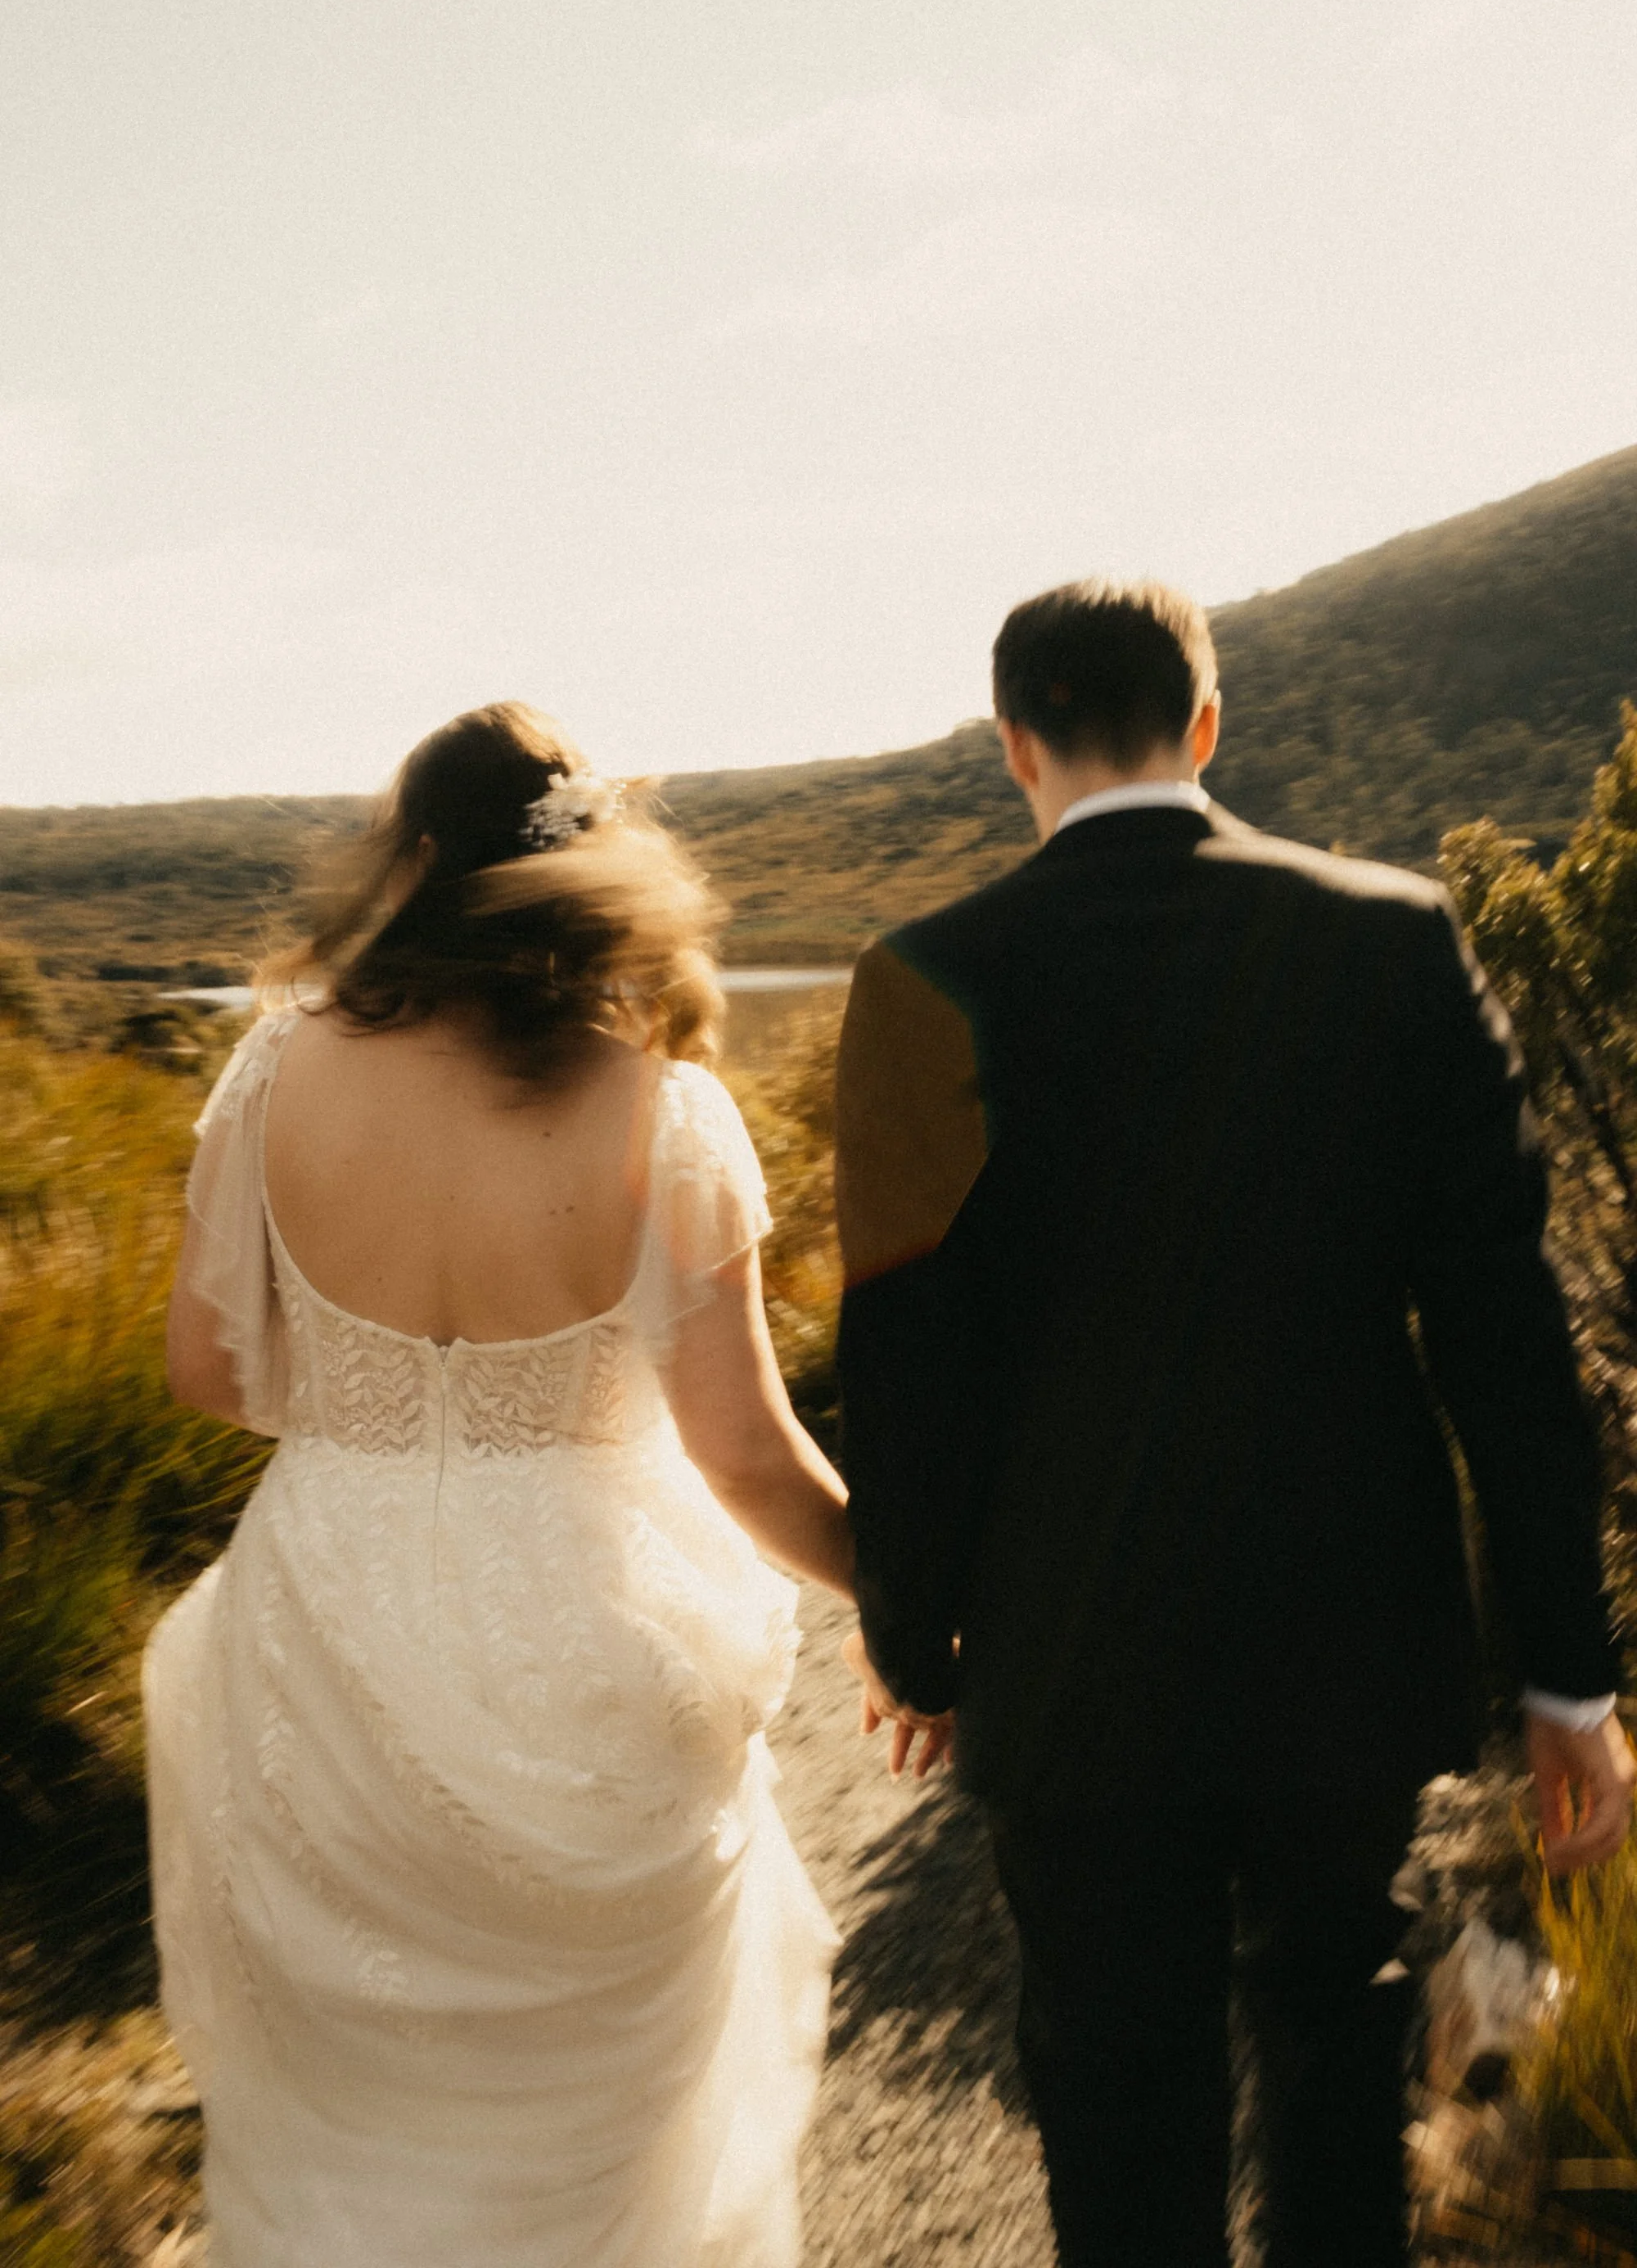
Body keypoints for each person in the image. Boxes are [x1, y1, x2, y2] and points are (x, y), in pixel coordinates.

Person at [831, 579, 1633, 2268]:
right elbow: (1505, 1335)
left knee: (1118, 2089)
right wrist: (1569, 1676)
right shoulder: (1396, 937)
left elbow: (905, 1367)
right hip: (1344, 1634)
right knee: (1337, 2040)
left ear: (1011, 749)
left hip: (1064, 1650)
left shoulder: (920, 979)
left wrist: (910, 1641)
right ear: (1205, 724)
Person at [146, 702, 850, 2268]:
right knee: (610, 2150)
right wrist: (915, 1595)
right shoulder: (666, 1111)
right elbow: (743, 1452)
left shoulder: (272, 1070)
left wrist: (373, 1418)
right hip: (596, 1656)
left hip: (327, 1639)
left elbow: (205, 1369)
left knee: (362, 2114)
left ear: (407, 862)